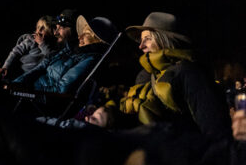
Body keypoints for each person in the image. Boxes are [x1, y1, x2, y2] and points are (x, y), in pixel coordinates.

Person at [85, 12, 231, 142]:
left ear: (164, 40)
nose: (141, 46)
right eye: (141, 40)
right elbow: (140, 121)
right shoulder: (145, 76)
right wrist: (110, 115)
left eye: (147, 39)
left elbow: (216, 131)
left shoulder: (188, 72)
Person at [12, 14, 118, 95]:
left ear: (96, 41)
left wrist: (26, 91)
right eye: (82, 32)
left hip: (38, 98)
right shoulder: (70, 48)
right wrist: (16, 84)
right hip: (28, 90)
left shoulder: (89, 59)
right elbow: (40, 67)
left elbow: (60, 89)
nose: (80, 36)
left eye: (87, 34)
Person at [0, 15, 56, 79]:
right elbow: (15, 52)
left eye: (44, 28)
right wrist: (5, 67)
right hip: (19, 73)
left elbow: (51, 57)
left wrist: (42, 44)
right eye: (38, 27)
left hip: (35, 77)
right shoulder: (31, 40)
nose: (39, 30)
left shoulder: (51, 46)